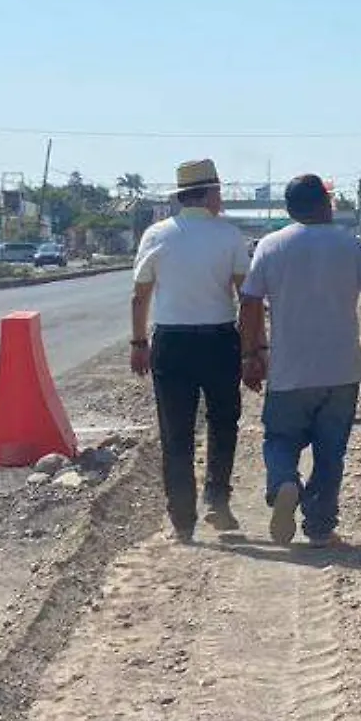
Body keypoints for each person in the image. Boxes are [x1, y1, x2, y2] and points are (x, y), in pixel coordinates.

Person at [238, 173, 361, 546]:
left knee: (280, 439)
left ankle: (283, 483)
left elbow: (249, 303)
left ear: (291, 209)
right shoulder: (349, 245)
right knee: (330, 453)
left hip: (289, 370)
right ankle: (321, 528)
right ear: (325, 204)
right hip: (341, 370)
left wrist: (250, 355)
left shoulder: (270, 247)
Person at [130, 159, 252, 542]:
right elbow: (245, 298)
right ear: (210, 193)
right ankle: (217, 499)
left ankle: (182, 519)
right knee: (223, 422)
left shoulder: (156, 235)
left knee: (176, 432)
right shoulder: (230, 236)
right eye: (219, 191)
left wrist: (138, 343)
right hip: (219, 341)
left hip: (171, 342)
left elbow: (140, 295)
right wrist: (253, 349)